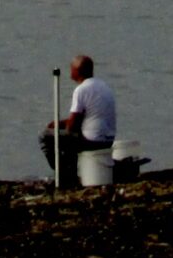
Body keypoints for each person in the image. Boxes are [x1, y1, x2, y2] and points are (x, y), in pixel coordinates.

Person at [40, 54, 117, 187]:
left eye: (71, 68)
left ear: (77, 71)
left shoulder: (81, 90)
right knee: (69, 137)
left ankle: (63, 174)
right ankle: (71, 172)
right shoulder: (104, 86)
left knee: (46, 136)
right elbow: (88, 117)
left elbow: (73, 126)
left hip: (92, 141)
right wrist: (60, 124)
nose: (70, 71)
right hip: (108, 139)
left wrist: (58, 126)